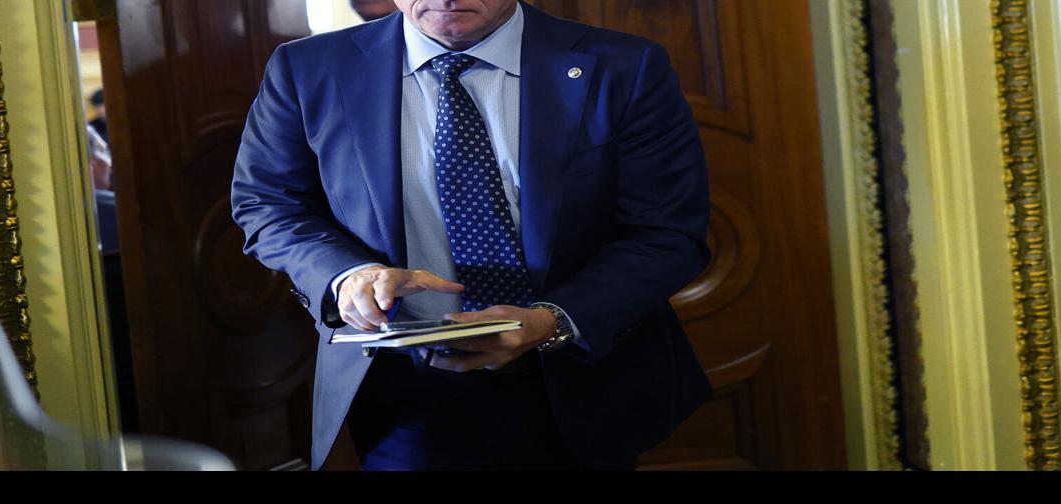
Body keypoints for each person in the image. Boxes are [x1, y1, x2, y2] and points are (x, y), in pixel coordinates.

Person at [232, 0, 712, 470]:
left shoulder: (623, 65)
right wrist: (349, 274)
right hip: (406, 389)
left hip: (580, 373)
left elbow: (666, 231)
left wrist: (552, 321)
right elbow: (268, 203)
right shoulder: (308, 67)